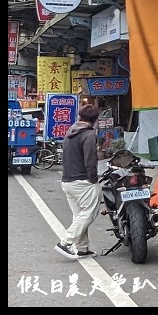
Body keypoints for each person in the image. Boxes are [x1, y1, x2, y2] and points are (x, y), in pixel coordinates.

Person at [55, 104, 102, 259]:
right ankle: (65, 242)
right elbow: (90, 159)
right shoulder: (89, 135)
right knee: (90, 212)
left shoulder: (71, 131)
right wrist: (94, 179)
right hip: (81, 181)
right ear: (95, 119)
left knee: (79, 215)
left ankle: (82, 248)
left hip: (67, 180)